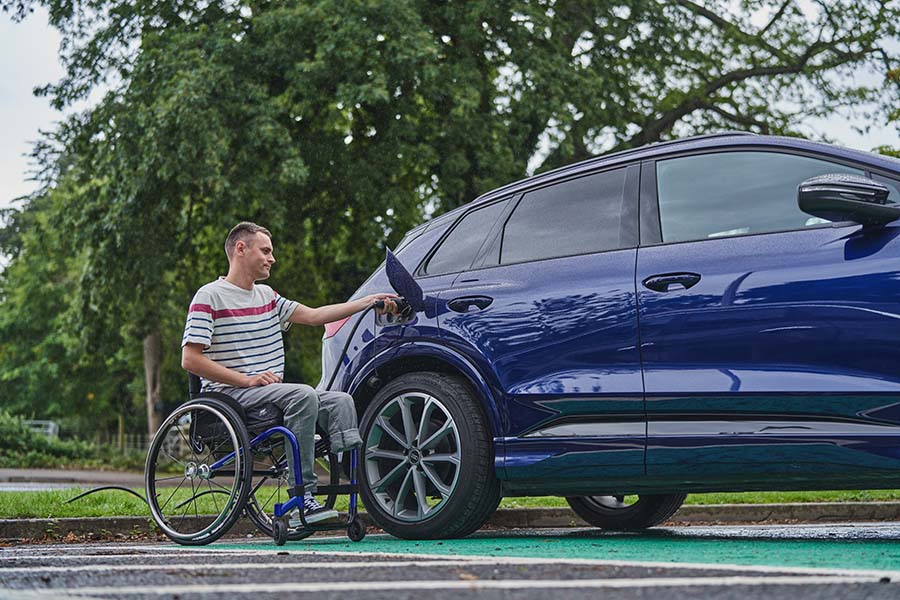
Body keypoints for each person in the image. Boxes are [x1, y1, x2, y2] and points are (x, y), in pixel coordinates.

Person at [181, 221, 397, 524]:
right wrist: (246, 379)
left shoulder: (267, 296)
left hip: (268, 392)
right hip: (230, 395)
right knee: (303, 395)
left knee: (340, 401)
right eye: (266, 251)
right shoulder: (210, 296)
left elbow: (315, 315)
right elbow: (190, 359)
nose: (272, 258)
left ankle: (357, 486)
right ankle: (301, 497)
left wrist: (367, 303)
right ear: (241, 249)